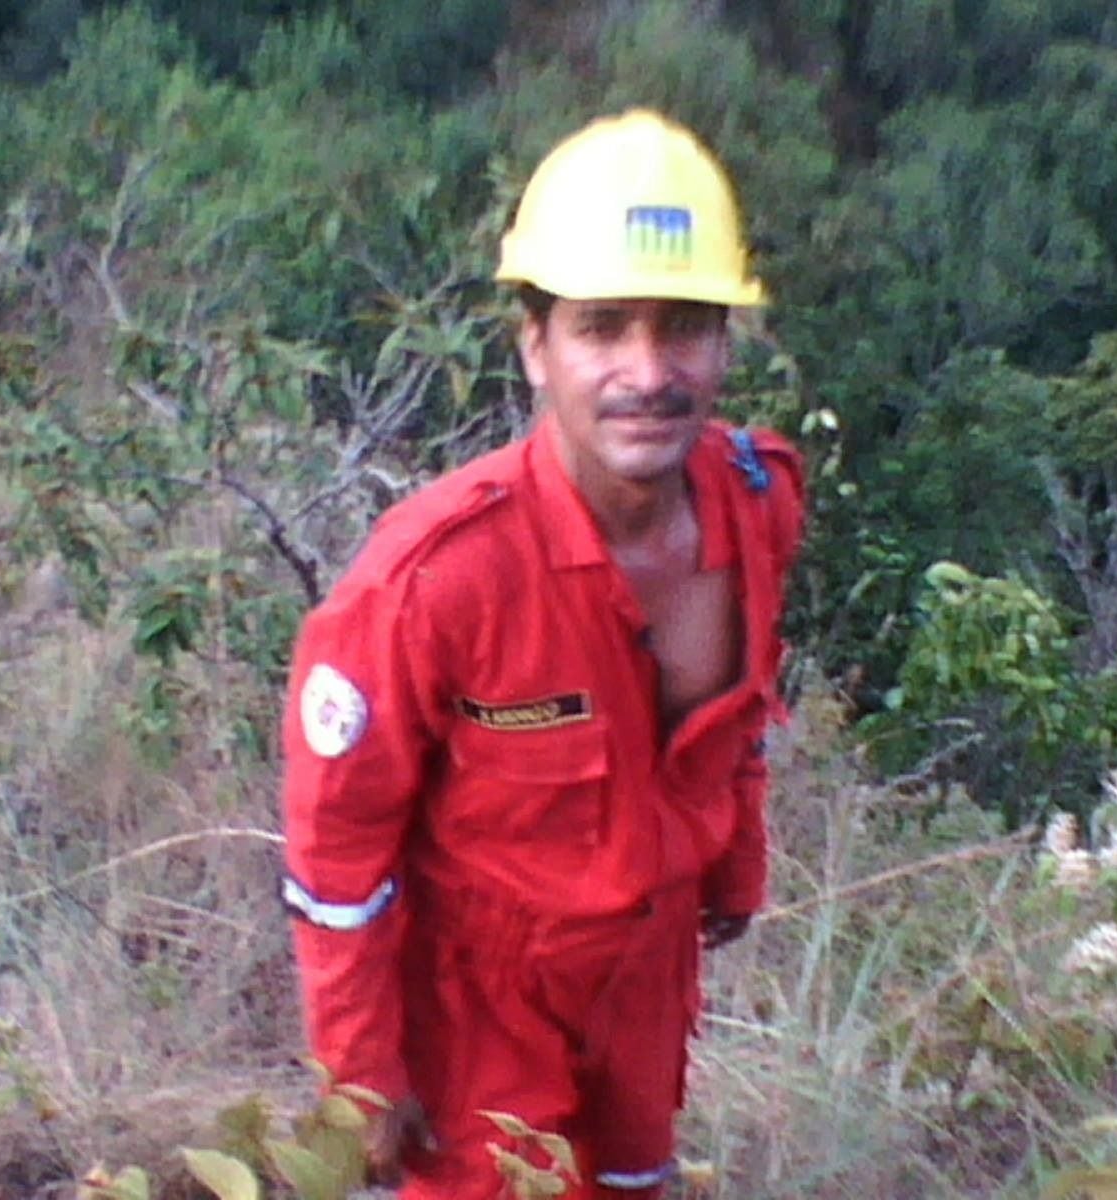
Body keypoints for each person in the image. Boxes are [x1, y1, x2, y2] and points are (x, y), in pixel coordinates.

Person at [279, 109, 808, 1198]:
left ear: (725, 344)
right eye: (603, 326)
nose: (647, 371)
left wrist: (735, 862)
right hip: (482, 999)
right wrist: (360, 1078)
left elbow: (743, 709)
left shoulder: (757, 501)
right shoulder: (434, 578)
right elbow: (337, 851)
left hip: (645, 980)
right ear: (535, 344)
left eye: (685, 327)